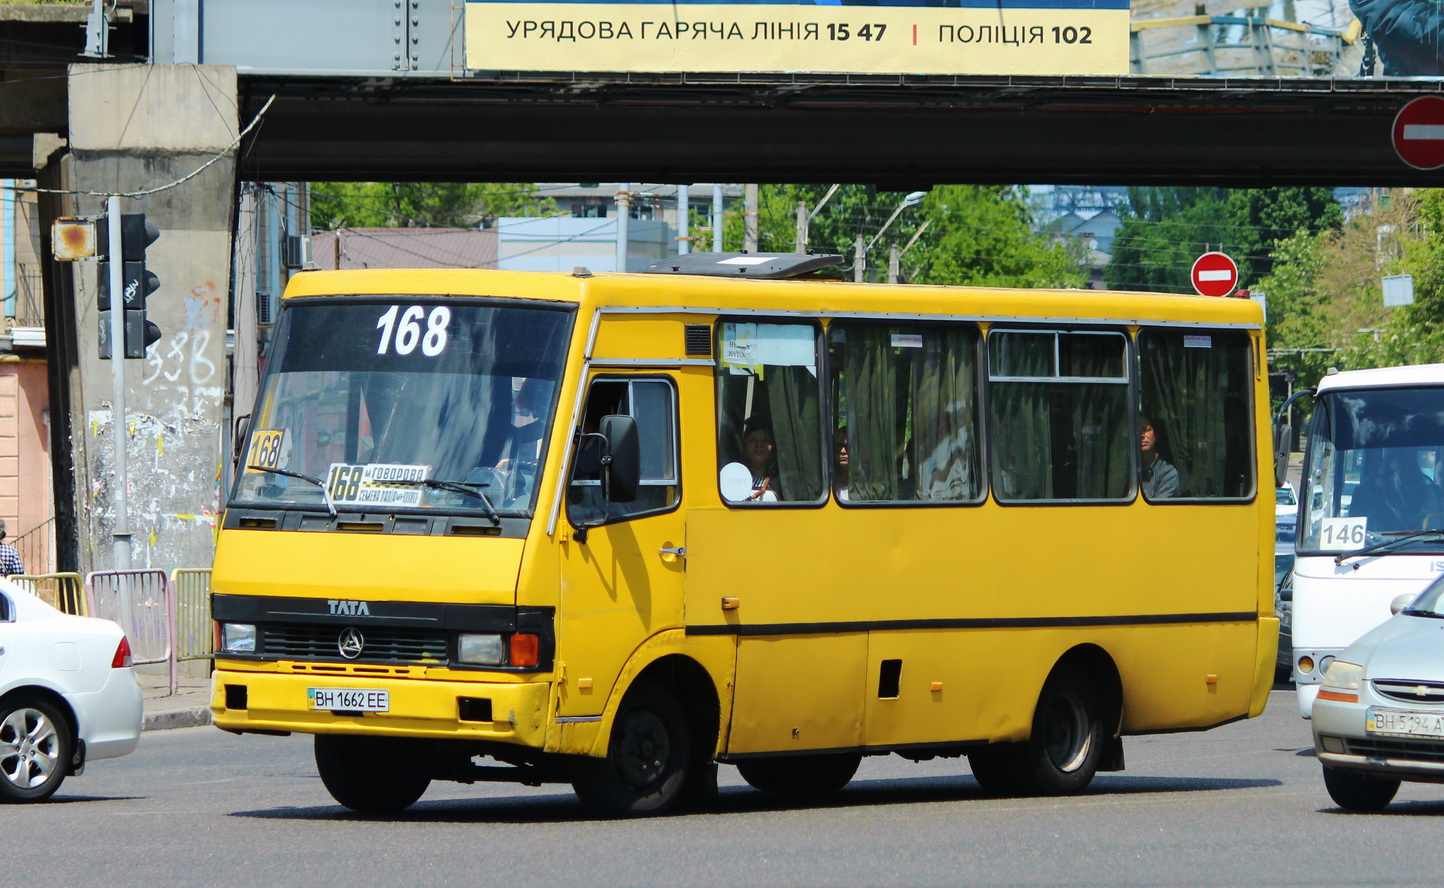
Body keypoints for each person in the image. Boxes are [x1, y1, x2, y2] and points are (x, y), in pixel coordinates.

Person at [1140, 412, 1179, 499]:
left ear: (1156, 434)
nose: (1142, 435)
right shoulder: (1128, 471)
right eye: (1137, 431)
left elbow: (1158, 510)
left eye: (1146, 429)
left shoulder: (1168, 473)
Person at [742, 417, 781, 501]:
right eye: (753, 440)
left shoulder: (782, 482)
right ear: (745, 446)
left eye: (765, 440)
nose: (759, 445)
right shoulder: (736, 478)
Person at [833, 426, 850, 502]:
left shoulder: (866, 488)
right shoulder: (827, 485)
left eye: (847, 447)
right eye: (838, 447)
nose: (843, 451)